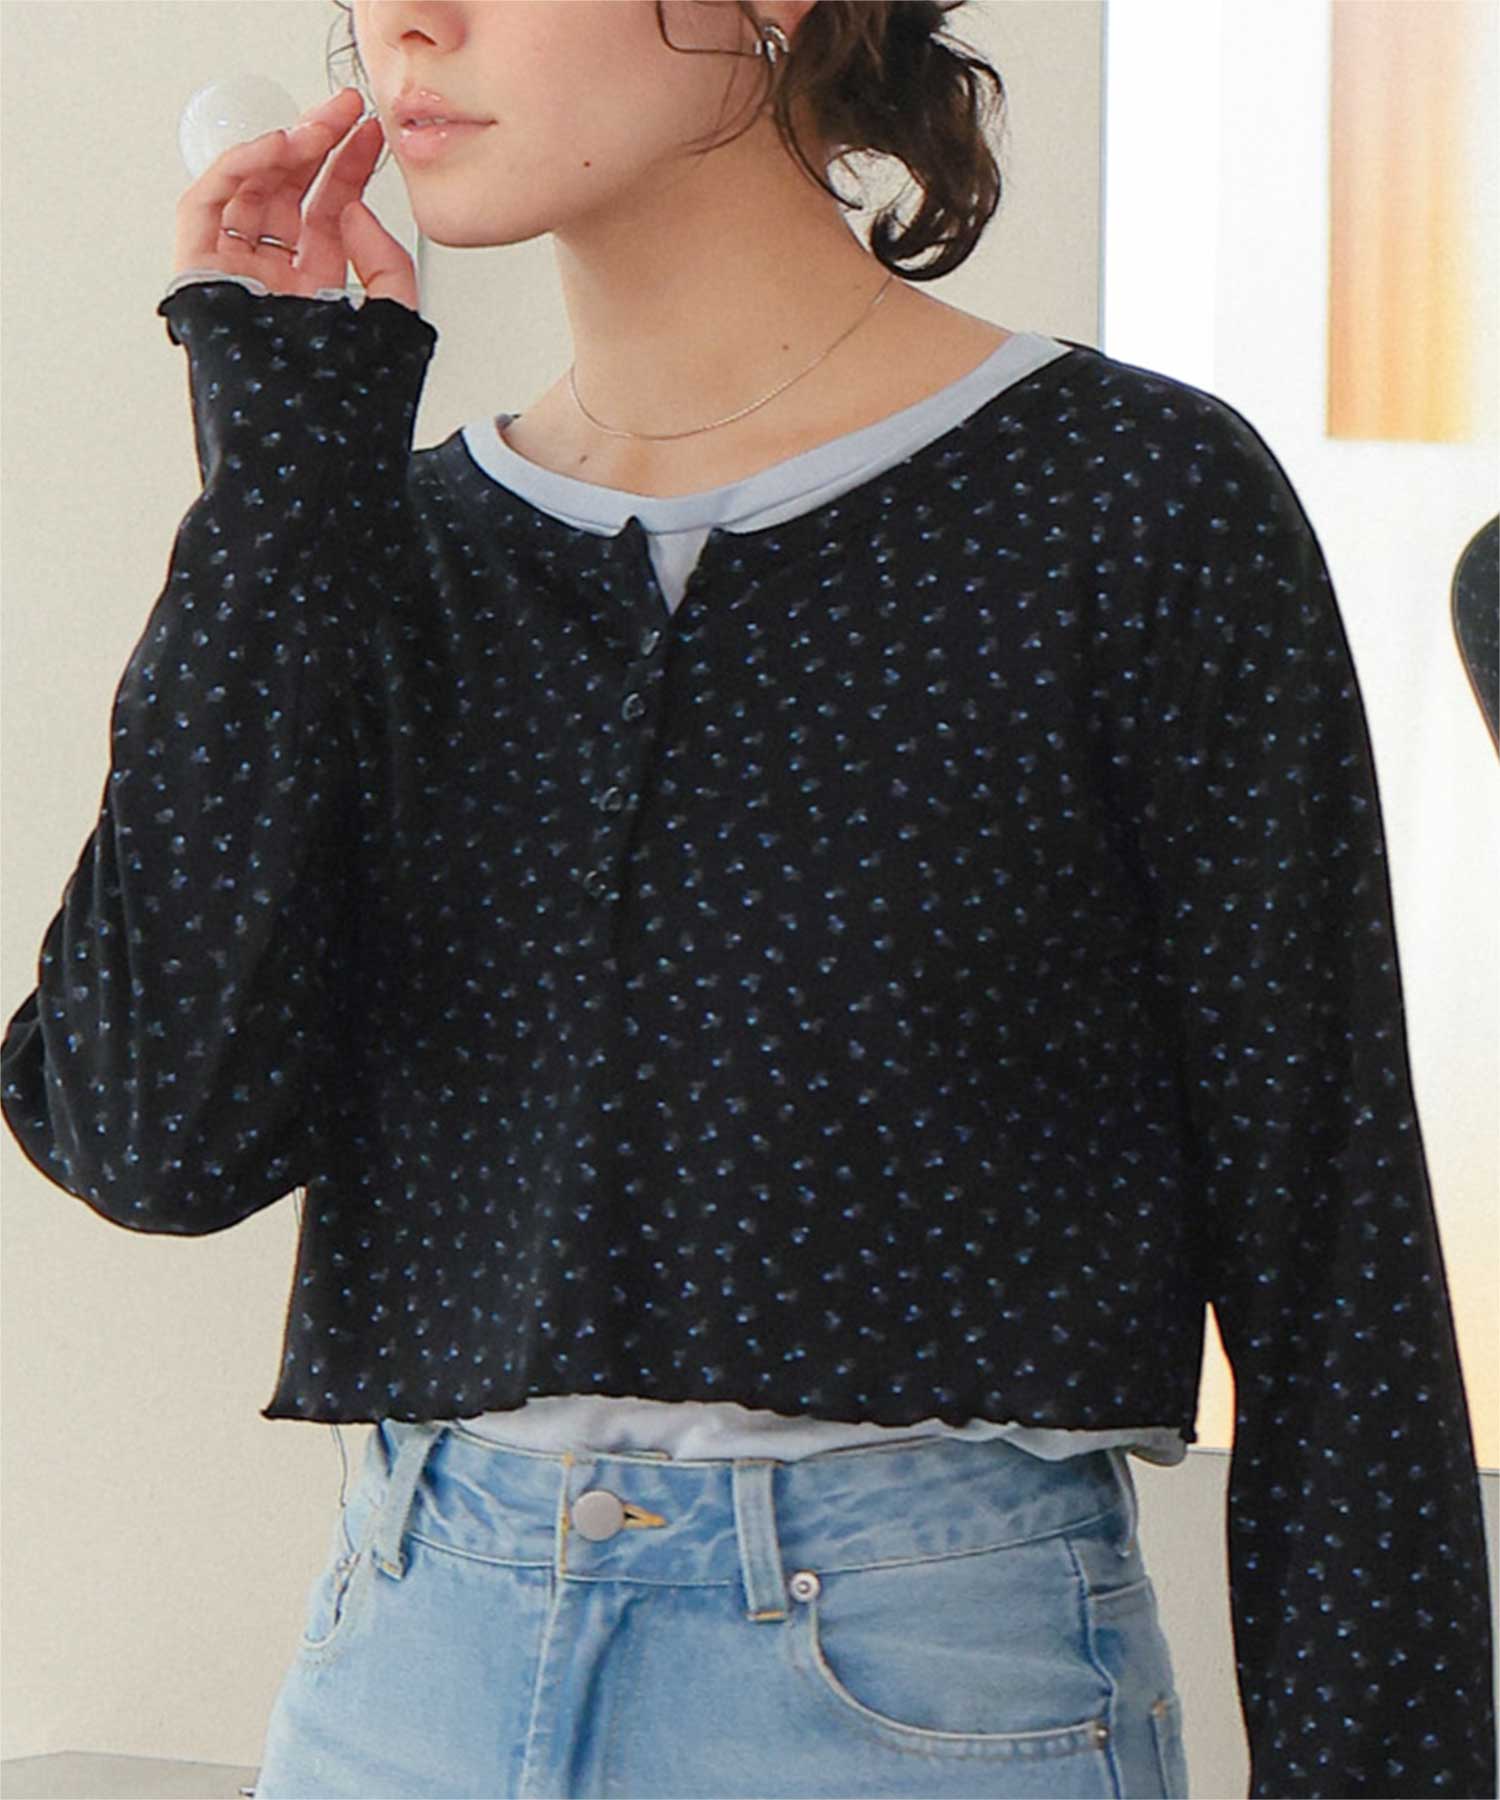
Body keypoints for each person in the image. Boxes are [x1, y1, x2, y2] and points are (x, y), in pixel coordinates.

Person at [1, 2, 1493, 1796]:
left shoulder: (1127, 502)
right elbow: (149, 1140)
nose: (410, 21)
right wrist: (282, 471)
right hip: (403, 1677)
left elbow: (1334, 1259)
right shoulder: (383, 550)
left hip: (921, 1699)